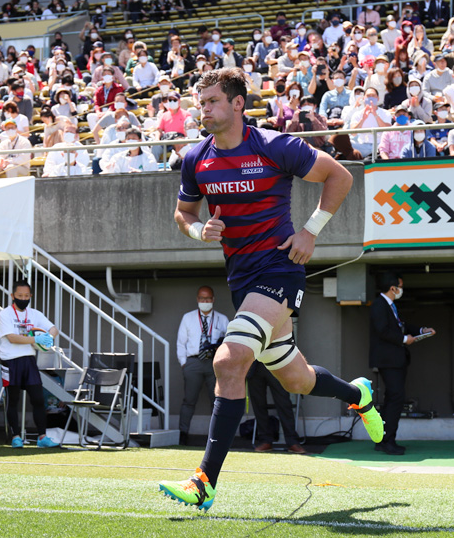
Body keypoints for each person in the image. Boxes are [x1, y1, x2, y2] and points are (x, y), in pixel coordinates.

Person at [160, 68, 385, 511]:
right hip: (242, 281)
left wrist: (310, 231)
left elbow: (340, 176)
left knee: (229, 360)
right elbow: (182, 213)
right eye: (200, 102)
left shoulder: (275, 145)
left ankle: (204, 482)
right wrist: (198, 231)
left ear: (237, 103)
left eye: (211, 101)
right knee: (298, 380)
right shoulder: (195, 158)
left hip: (281, 269)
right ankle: (358, 394)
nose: (203, 109)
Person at [369, 272, 435, 455]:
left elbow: (402, 326)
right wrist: (405, 339)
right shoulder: (379, 305)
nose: (401, 290)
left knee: (392, 398)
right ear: (393, 288)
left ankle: (382, 439)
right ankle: (387, 441)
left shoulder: (389, 306)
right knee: (396, 398)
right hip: (389, 360)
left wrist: (421, 330)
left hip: (394, 360)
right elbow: (383, 331)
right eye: (400, 286)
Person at [0, 280, 60, 449]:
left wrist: (49, 337)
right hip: (10, 360)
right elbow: (12, 337)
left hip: (29, 360)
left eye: (26, 296)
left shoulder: (35, 314)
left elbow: (54, 328)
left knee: (38, 398)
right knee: (13, 399)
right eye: (20, 295)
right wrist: (36, 339)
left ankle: (42, 437)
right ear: (12, 296)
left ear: (30, 296)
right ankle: (16, 437)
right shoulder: (5, 314)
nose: (23, 299)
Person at [175, 286, 229, 446]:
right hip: (193, 362)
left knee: (217, 400)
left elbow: (228, 341)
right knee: (189, 400)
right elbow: (181, 342)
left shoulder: (222, 319)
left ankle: (217, 436)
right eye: (202, 299)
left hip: (214, 363)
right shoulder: (188, 318)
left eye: (208, 299)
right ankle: (183, 434)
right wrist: (184, 363)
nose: (205, 302)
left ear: (213, 299)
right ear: (197, 299)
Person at [247, 361, 306, 453]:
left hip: (276, 363)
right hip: (253, 365)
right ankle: (265, 440)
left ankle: (292, 441)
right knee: (258, 404)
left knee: (284, 403)